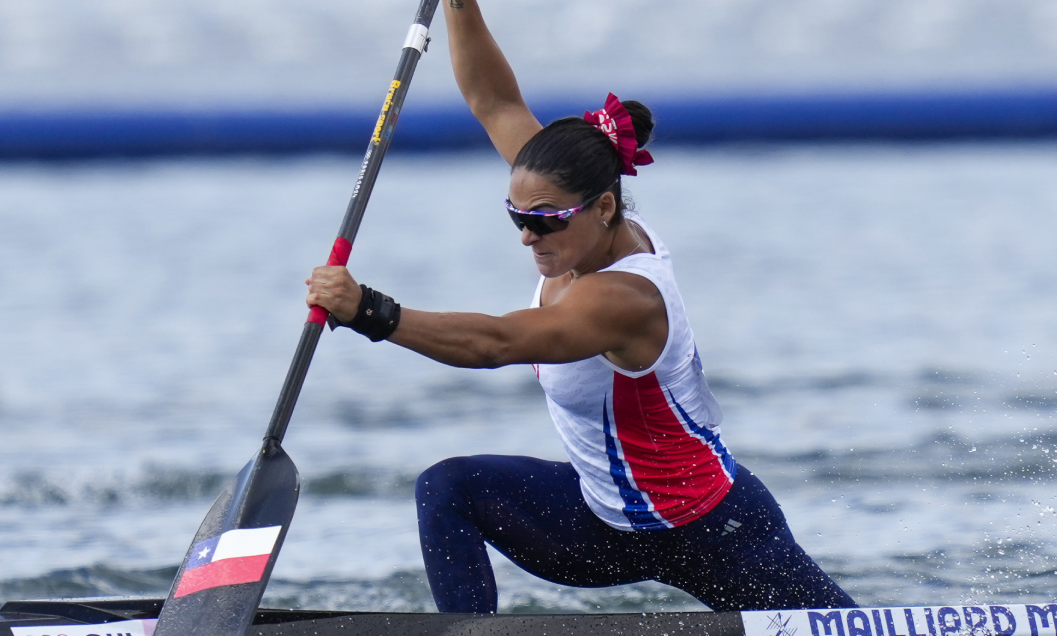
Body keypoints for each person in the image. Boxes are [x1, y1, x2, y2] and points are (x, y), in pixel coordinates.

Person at [305, 0, 856, 614]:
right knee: (448, 487)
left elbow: (498, 344)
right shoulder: (564, 198)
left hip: (710, 532)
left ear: (603, 208)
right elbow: (496, 103)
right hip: (601, 526)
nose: (527, 236)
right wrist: (462, 6)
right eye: (516, 217)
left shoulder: (624, 297)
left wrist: (369, 311)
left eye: (543, 221)